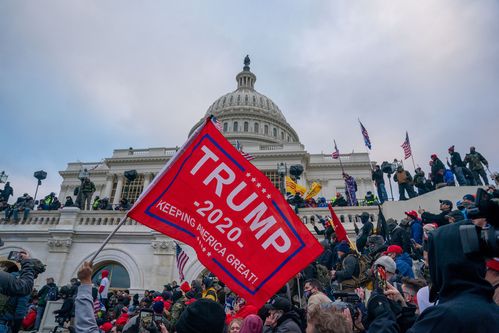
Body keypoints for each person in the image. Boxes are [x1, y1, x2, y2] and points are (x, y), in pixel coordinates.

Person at [406, 219, 499, 332]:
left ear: (444, 262)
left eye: (431, 261)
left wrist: (383, 309)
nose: (427, 266)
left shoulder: (443, 316)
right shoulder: (490, 307)